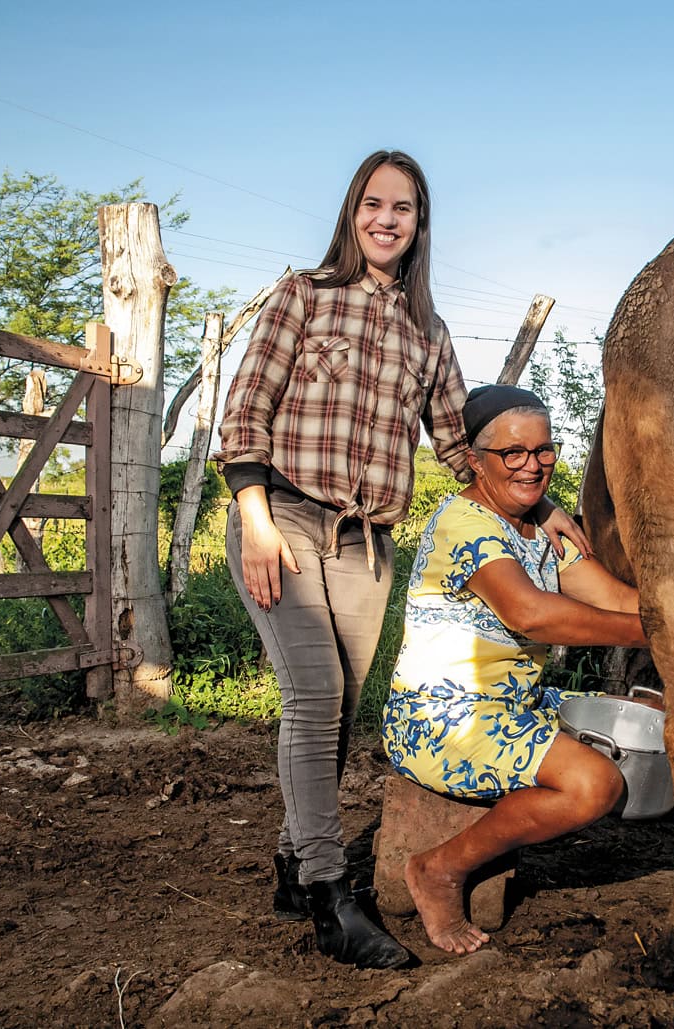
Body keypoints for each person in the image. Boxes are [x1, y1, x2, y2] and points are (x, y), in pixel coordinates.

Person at [214, 151, 587, 970]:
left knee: (339, 706)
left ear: (420, 225)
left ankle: (287, 860)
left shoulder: (428, 331)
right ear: (353, 213)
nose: (387, 219)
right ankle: (326, 893)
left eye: (404, 209)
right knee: (312, 693)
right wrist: (255, 519)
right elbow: (246, 411)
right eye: (374, 204)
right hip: (284, 517)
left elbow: (461, 442)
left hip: (367, 541)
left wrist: (546, 503)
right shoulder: (303, 296)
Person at [382, 385, 674, 957]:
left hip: (515, 707)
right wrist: (672, 635)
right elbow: (533, 614)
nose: (533, 465)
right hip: (441, 718)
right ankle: (438, 868)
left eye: (544, 451)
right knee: (595, 784)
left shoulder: (541, 529)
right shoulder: (463, 525)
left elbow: (615, 598)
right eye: (513, 453)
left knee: (665, 720)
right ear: (476, 460)